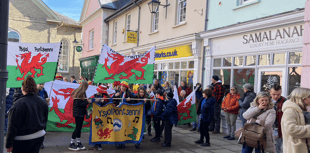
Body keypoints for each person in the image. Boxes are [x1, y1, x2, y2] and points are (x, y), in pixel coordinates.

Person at [6, 76, 48, 153]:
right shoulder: (43, 102)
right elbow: (45, 120)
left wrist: (8, 144)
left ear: (23, 88)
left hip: (22, 140)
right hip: (38, 137)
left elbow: (12, 126)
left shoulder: (18, 104)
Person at [281, 88, 310, 153]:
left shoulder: (300, 109)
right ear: (303, 98)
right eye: (309, 97)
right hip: (295, 148)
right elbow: (291, 129)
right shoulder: (290, 110)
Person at [112, 81, 135, 149]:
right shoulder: (117, 93)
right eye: (122, 86)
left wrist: (129, 100)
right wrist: (115, 96)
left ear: (126, 88)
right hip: (118, 112)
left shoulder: (129, 94)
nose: (122, 87)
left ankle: (123, 142)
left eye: (124, 86)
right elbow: (112, 100)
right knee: (117, 127)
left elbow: (134, 100)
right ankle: (118, 142)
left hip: (125, 113)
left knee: (124, 127)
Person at [69, 81, 90, 151]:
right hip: (78, 113)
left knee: (79, 128)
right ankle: (71, 143)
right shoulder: (81, 93)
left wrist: (85, 101)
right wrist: (87, 102)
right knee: (77, 128)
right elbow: (78, 104)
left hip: (80, 112)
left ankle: (78, 142)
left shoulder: (79, 92)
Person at [88, 85, 110, 151]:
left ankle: (99, 144)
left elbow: (109, 105)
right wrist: (93, 101)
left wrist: (104, 102)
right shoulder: (94, 96)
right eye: (98, 90)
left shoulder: (105, 97)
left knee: (100, 130)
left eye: (99, 91)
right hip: (94, 116)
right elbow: (89, 101)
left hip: (102, 117)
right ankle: (94, 144)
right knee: (94, 130)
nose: (98, 92)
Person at [269, 84, 286, 153]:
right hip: (266, 128)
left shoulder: (285, 101)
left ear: (281, 93)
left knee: (276, 148)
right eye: (274, 94)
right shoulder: (266, 100)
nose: (276, 96)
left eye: (278, 94)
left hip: (278, 128)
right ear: (270, 92)